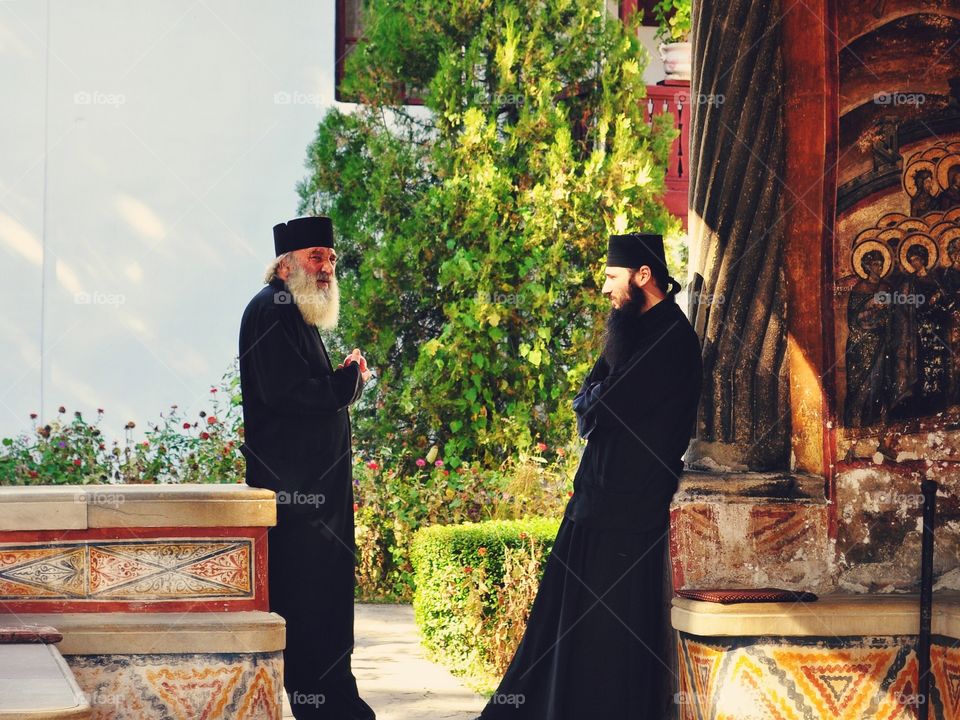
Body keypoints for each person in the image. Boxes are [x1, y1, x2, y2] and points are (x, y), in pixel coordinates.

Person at [477, 232, 703, 719]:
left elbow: (609, 404)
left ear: (644, 275)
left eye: (611, 277)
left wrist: (598, 399)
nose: (604, 288)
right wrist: (598, 399)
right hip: (598, 501)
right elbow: (588, 402)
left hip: (630, 509)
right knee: (563, 627)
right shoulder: (631, 328)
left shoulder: (669, 336)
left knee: (607, 636)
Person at [238, 216, 375, 720]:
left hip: (316, 497)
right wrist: (347, 385)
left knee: (325, 608)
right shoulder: (271, 308)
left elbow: (304, 390)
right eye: (316, 256)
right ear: (286, 263)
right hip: (297, 501)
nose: (327, 268)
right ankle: (330, 708)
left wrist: (342, 377)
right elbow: (285, 394)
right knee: (312, 610)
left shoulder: (294, 312)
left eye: (331, 259)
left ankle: (337, 704)